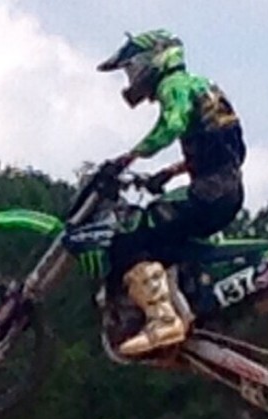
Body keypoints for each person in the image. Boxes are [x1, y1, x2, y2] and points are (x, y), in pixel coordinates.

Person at [97, 29, 246, 356]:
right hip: (227, 189)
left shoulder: (173, 86)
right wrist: (170, 172)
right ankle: (186, 302)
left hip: (209, 193)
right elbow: (229, 150)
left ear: (152, 59)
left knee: (132, 239)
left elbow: (172, 125)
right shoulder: (205, 87)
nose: (132, 78)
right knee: (166, 234)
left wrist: (129, 157)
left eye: (132, 68)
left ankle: (163, 320)